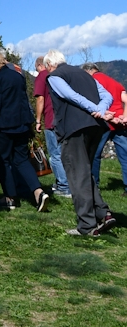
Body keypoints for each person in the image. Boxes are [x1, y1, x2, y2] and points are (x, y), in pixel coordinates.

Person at [43, 50, 116, 237]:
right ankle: (103, 213)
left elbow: (71, 96)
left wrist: (95, 109)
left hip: (74, 128)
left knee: (77, 176)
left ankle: (87, 225)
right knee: (84, 172)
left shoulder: (55, 76)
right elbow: (107, 95)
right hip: (96, 127)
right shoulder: (84, 74)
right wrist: (101, 109)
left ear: (50, 65)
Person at [0, 51, 49, 211]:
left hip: (4, 126)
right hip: (21, 124)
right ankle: (38, 192)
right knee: (21, 159)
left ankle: (10, 198)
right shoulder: (18, 77)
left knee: (2, 160)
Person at [82, 63, 127, 194]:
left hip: (105, 122)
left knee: (95, 154)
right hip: (120, 123)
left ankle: (94, 185)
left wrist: (110, 117)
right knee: (125, 156)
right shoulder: (115, 82)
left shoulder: (93, 81)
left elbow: (94, 102)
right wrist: (124, 117)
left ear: (89, 71)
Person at [33, 55, 71, 197]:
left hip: (51, 118)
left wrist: (38, 120)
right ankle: (67, 182)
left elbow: (40, 99)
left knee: (55, 154)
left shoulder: (42, 76)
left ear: (39, 65)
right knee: (65, 153)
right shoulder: (60, 75)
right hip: (65, 118)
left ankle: (64, 186)